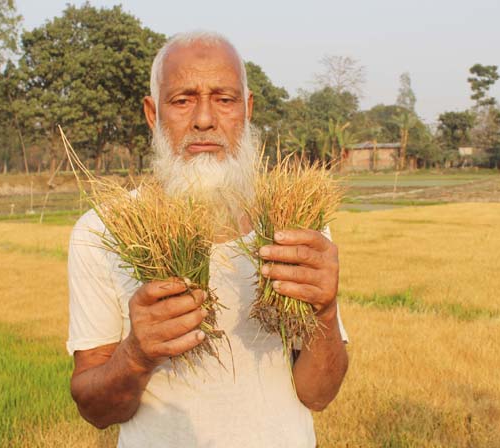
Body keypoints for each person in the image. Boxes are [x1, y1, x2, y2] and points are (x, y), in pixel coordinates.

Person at [65, 31, 349, 447]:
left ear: (247, 109)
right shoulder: (101, 233)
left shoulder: (295, 226)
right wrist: (136, 355)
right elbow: (96, 411)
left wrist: (324, 312)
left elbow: (319, 395)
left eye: (224, 99)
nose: (203, 119)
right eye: (182, 100)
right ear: (152, 112)